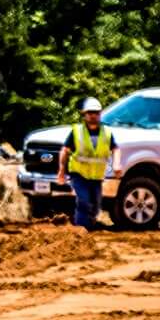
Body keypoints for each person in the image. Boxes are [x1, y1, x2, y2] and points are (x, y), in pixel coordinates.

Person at [59, 97, 114, 231]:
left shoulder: (107, 133)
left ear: (100, 114)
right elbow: (65, 151)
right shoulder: (77, 131)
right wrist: (61, 171)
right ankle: (80, 229)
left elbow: (115, 148)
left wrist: (117, 164)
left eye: (96, 113)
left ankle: (89, 225)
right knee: (83, 200)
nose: (93, 116)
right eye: (90, 113)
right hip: (78, 174)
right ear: (84, 115)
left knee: (95, 204)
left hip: (96, 176)